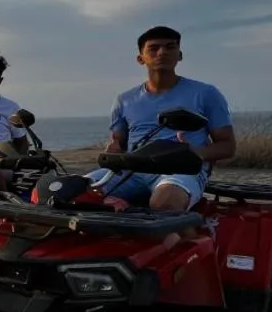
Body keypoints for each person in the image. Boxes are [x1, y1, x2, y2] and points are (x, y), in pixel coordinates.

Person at [87, 25, 237, 211]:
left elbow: (227, 146)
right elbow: (118, 143)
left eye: (170, 47)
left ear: (179, 55)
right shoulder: (124, 99)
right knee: (69, 190)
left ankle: (186, 234)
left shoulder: (205, 93)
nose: (162, 52)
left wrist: (196, 154)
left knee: (165, 202)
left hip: (181, 171)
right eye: (153, 48)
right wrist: (114, 151)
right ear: (140, 58)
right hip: (132, 172)